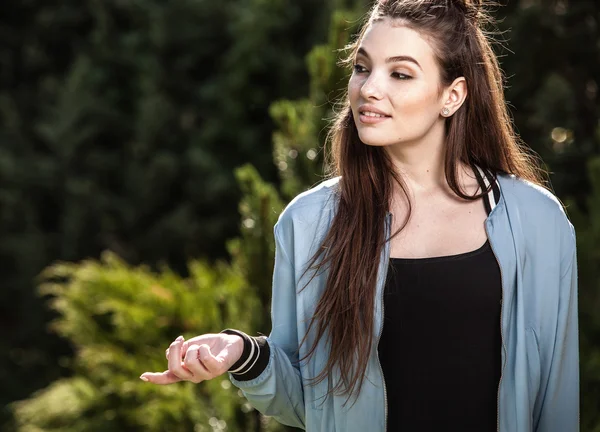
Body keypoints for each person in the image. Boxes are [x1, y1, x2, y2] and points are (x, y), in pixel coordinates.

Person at [140, 0, 579, 430]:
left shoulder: (536, 222)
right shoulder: (309, 223)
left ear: (453, 95)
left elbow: (557, 402)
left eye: (400, 73)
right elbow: (312, 402)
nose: (369, 88)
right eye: (362, 67)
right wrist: (243, 353)